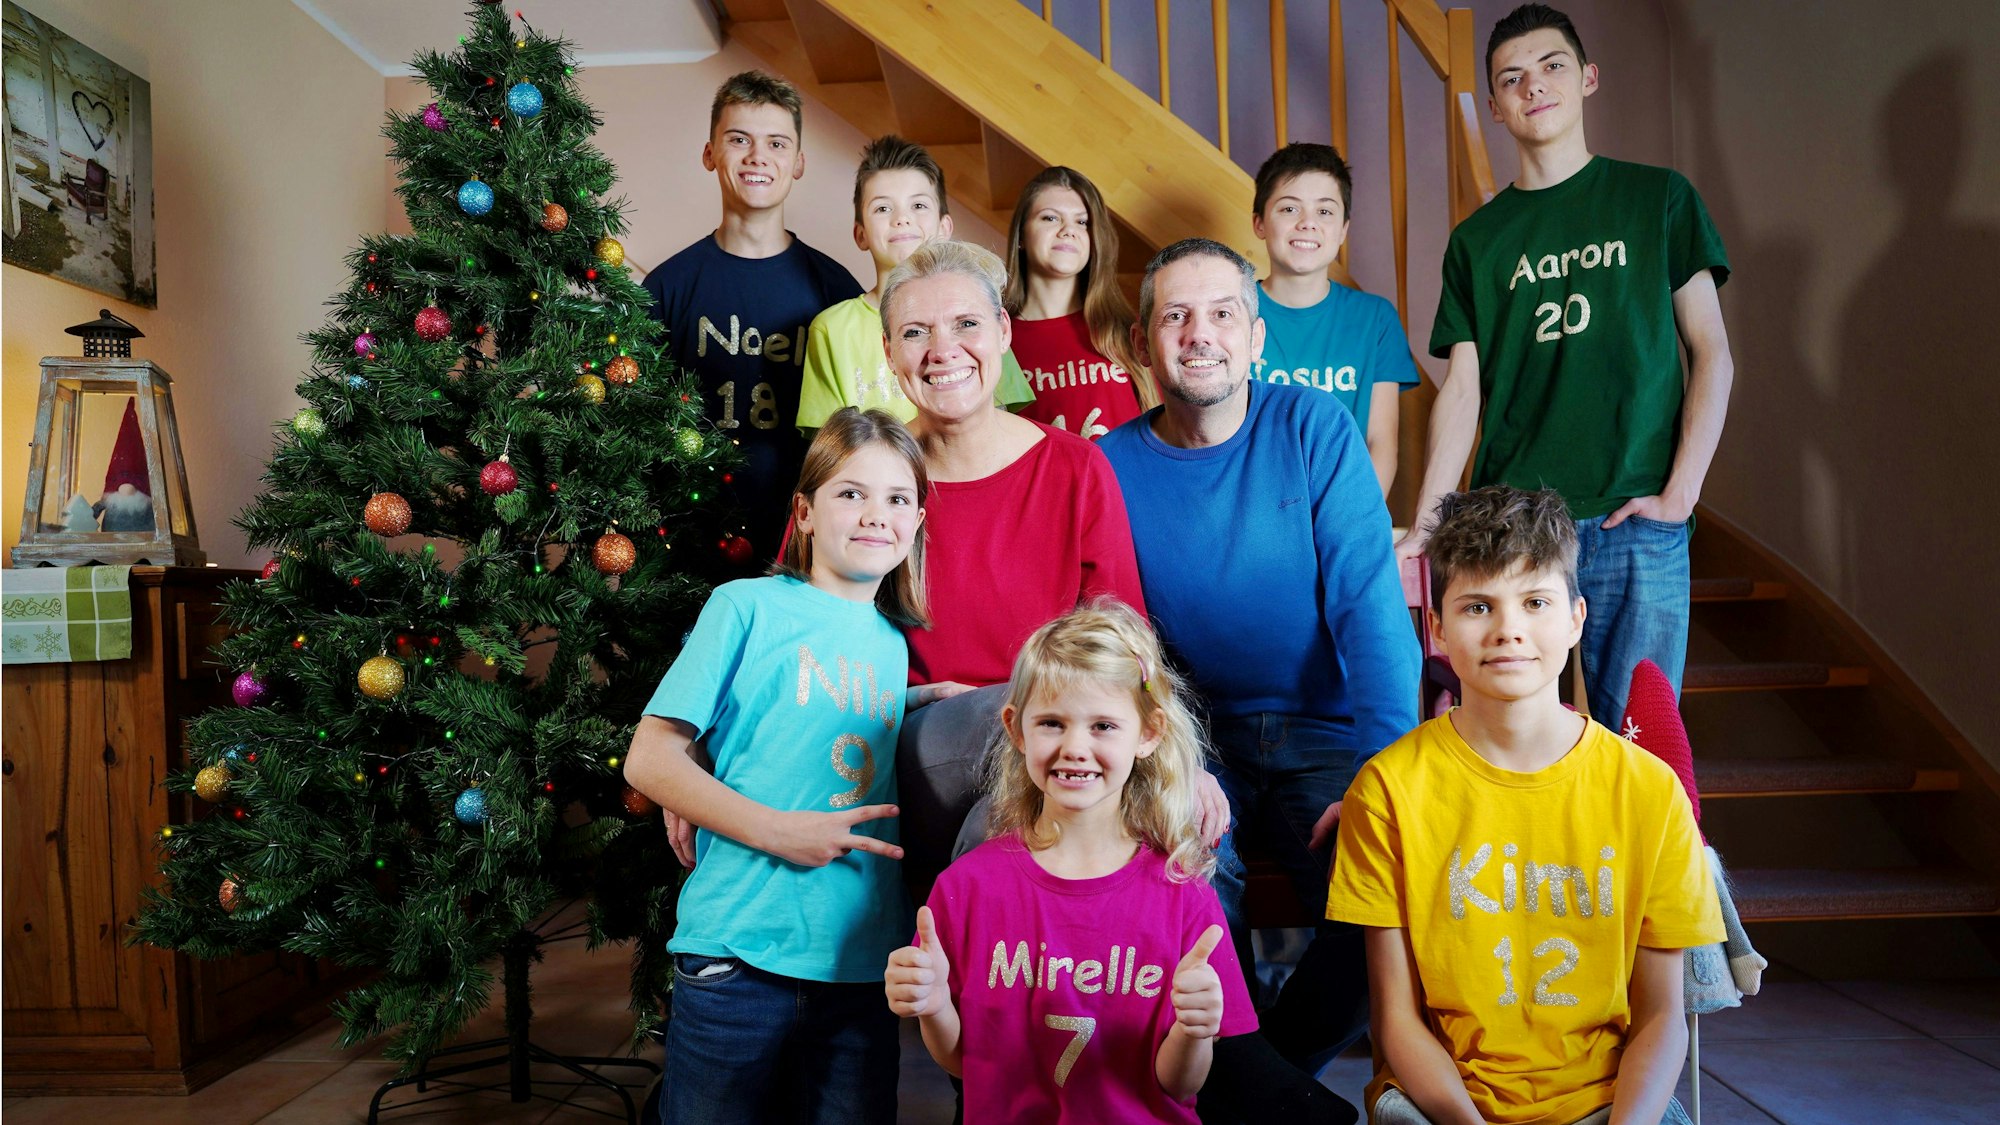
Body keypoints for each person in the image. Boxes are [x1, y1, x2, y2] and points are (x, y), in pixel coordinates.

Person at [1098, 237, 1420, 1069]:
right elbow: (1119, 639)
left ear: (1256, 338)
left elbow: (1372, 612)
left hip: (1326, 728)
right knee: (1187, 882)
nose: (1199, 333)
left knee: (1386, 900)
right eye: (1176, 315)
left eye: (1222, 314)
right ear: (1144, 343)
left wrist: (1382, 776)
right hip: (1192, 735)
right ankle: (1249, 1087)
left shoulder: (1316, 429)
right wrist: (1172, 757)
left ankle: (1256, 1086)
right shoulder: (1110, 465)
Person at [1331, 485, 1721, 1125]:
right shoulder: (1388, 791)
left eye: (1536, 602)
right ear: (1437, 628)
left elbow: (1661, 1019)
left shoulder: (1649, 792)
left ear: (1575, 618)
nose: (1508, 630)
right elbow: (1395, 1021)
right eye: (1478, 606)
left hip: (1609, 1102)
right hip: (1442, 1105)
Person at [1397, 3, 1735, 726]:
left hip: (1634, 516)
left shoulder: (1658, 198)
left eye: (1551, 66)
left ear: (1587, 77)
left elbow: (1711, 352)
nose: (1532, 86)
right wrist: (1429, 520)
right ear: (1493, 105)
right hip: (1513, 523)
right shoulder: (1478, 240)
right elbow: (1462, 388)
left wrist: (1682, 493)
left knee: (1642, 748)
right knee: (1511, 740)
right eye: (1511, 78)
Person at [623, 408, 930, 1124]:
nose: (875, 514)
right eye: (851, 492)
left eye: (897, 498)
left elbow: (810, 713)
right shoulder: (746, 606)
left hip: (857, 961)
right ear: (806, 511)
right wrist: (778, 831)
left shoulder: (892, 643)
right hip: (738, 956)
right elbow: (650, 754)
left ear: (916, 522)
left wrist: (915, 701)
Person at [884, 602, 1254, 1123]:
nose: (1075, 747)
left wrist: (1194, 1030)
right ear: (1017, 729)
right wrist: (932, 1005)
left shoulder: (1183, 891)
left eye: (1103, 725)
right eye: (1052, 723)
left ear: (1148, 733)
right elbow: (965, 1063)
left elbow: (1179, 1083)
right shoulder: (965, 888)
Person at [875, 239, 1164, 900]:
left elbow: (1121, 641)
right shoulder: (871, 473)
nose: (943, 350)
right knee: (1026, 738)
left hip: (1048, 753)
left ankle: (945, 994)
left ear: (1003, 331)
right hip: (910, 744)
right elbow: (799, 621)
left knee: (1004, 818)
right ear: (889, 350)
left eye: (967, 324)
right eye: (915, 332)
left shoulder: (1075, 468)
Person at [643, 70, 862, 565]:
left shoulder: (835, 289)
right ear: (709, 154)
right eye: (738, 139)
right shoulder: (666, 286)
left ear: (799, 162)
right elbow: (635, 424)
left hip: (806, 539)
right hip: (686, 539)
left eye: (777, 143)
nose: (758, 157)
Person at [797, 135, 1035, 431]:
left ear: (944, 227)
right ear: (860, 234)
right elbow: (834, 448)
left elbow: (1000, 426)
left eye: (919, 205)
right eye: (883, 208)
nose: (902, 219)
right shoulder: (831, 329)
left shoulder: (978, 315)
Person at [1249, 143, 1421, 496]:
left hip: (1343, 513)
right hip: (1251, 510)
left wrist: (1355, 524)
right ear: (1259, 223)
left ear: (1343, 230)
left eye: (1325, 211)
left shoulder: (1374, 318)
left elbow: (1380, 442)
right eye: (1288, 208)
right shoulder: (1231, 313)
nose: (1307, 223)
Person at [1002, 167, 1154, 440]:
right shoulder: (997, 339)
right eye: (1050, 218)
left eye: (1082, 222)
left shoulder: (1126, 330)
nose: (1068, 231)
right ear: (1021, 236)